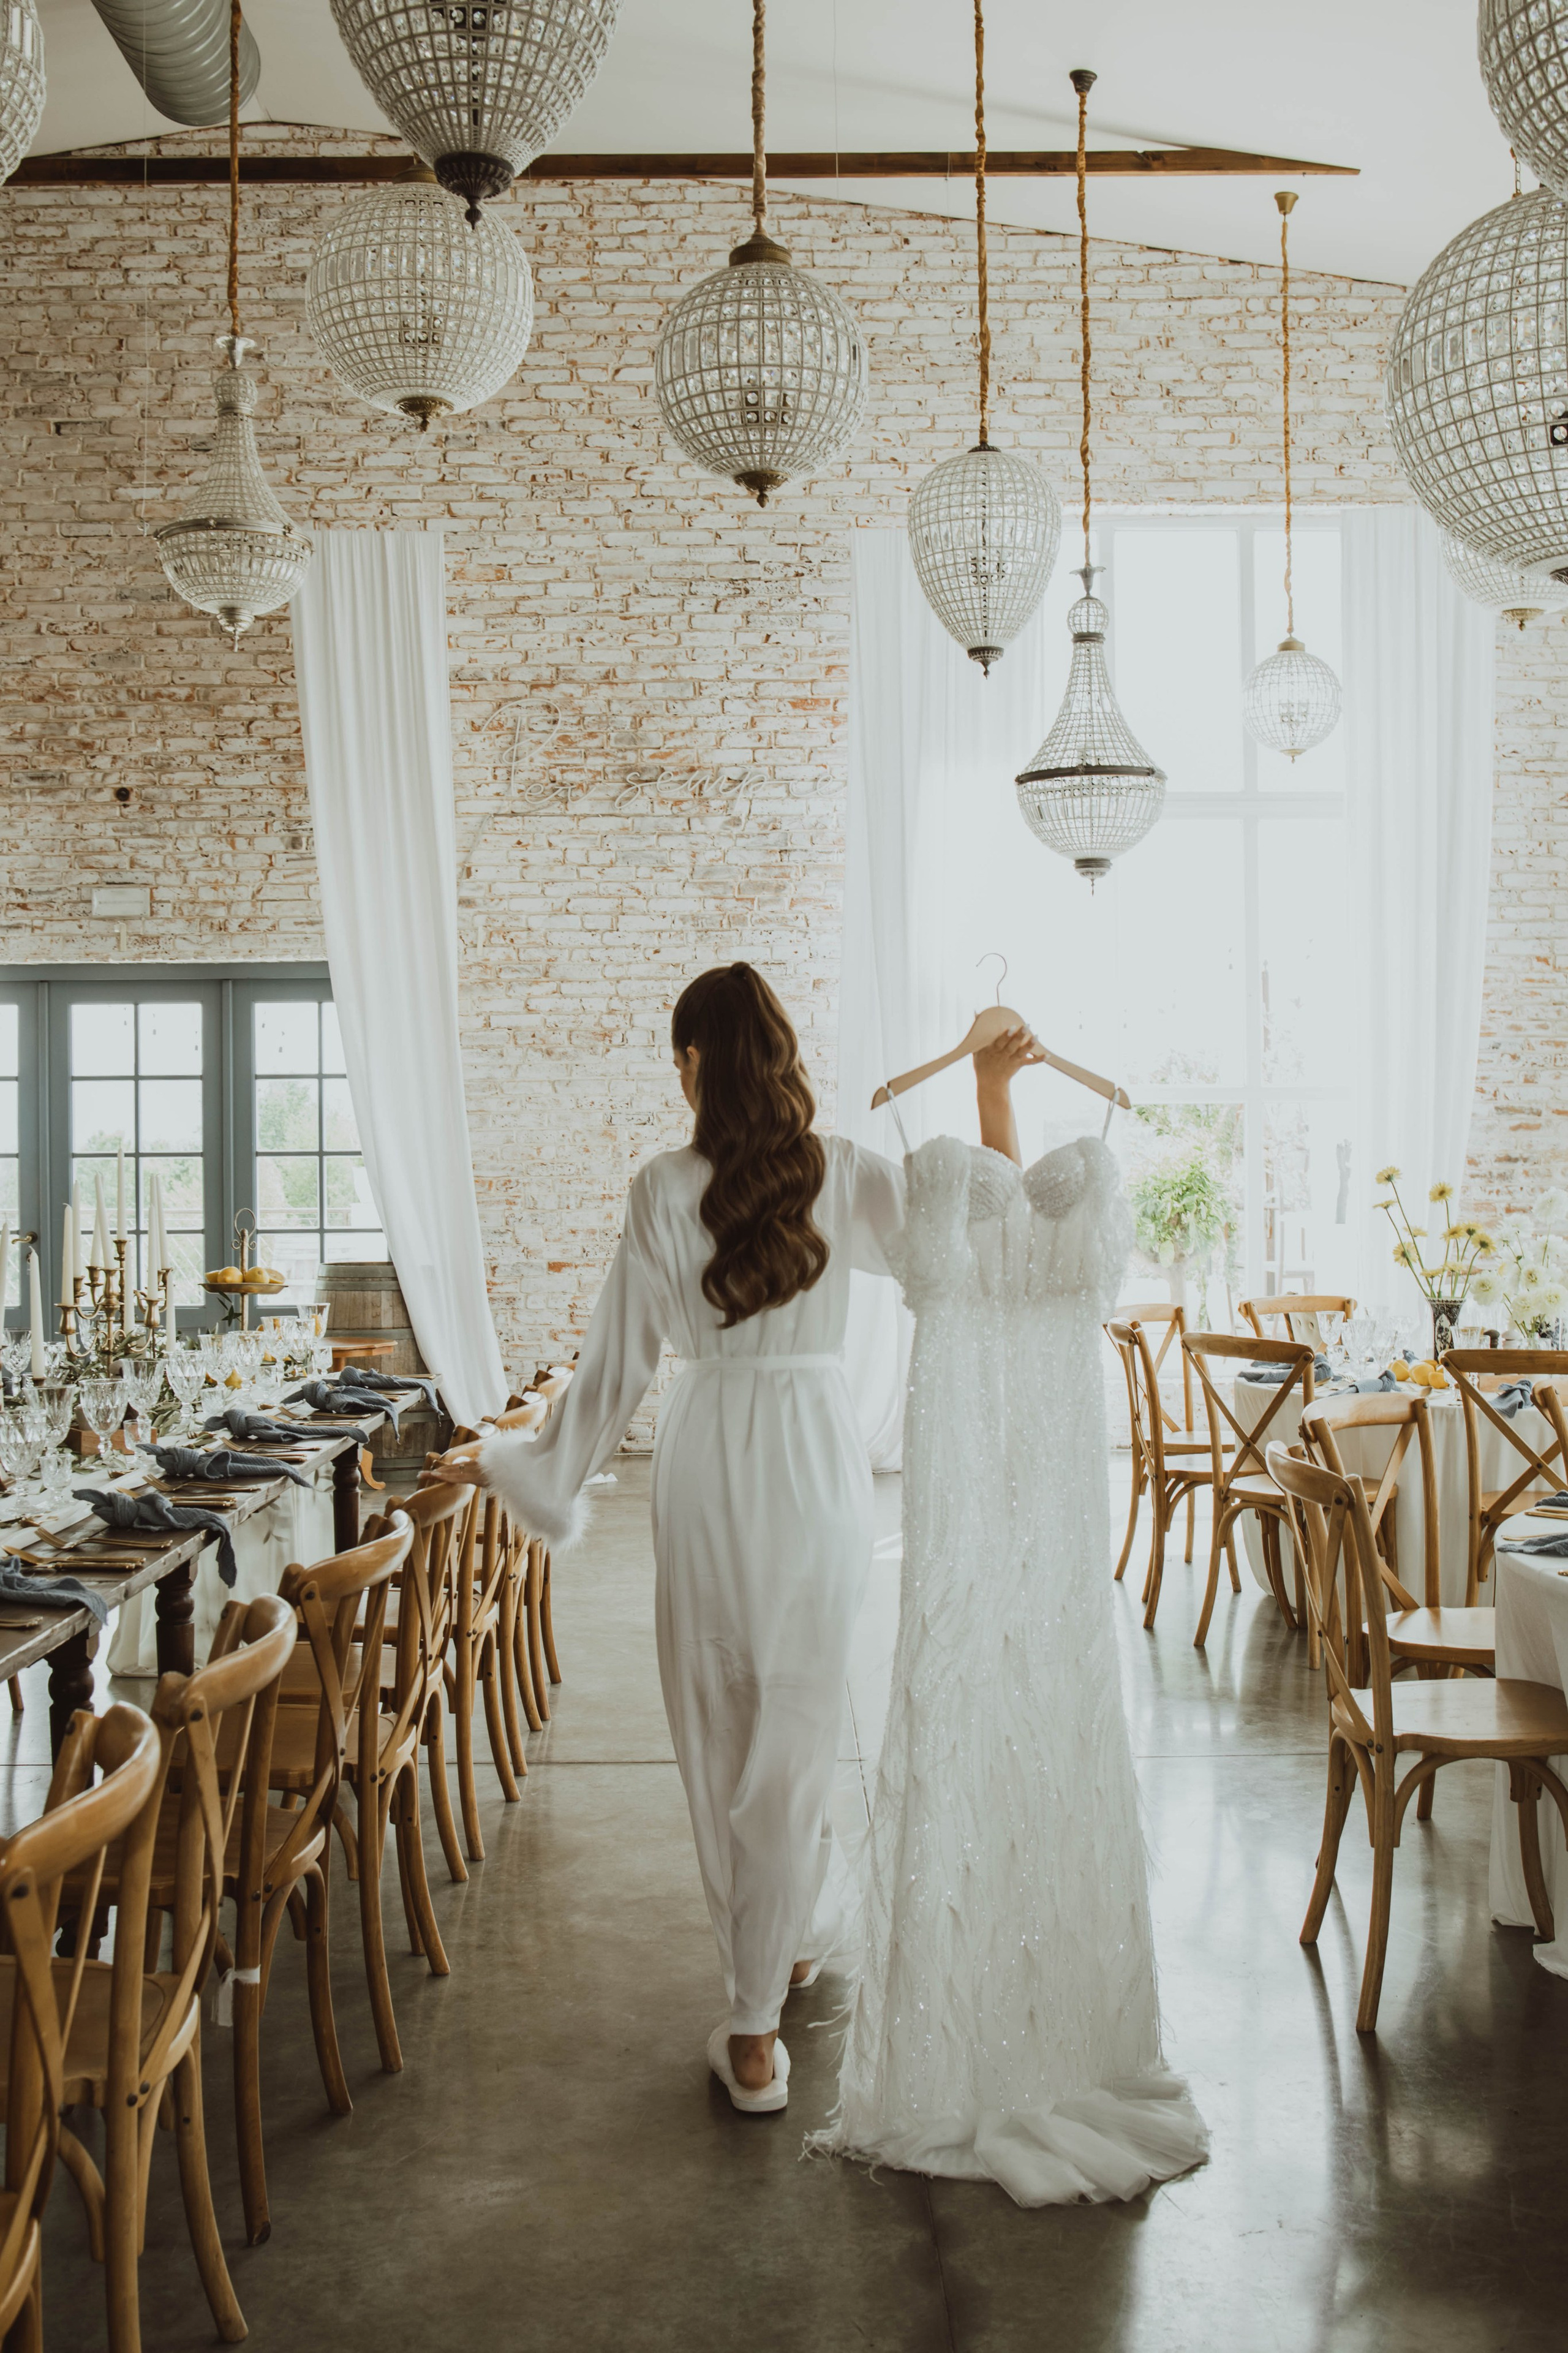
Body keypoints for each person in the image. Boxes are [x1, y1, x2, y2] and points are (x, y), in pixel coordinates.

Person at [428, 961, 1041, 2112]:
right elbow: (984, 1252)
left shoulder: (660, 1187)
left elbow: (612, 1372)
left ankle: (755, 2029)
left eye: (681, 1056)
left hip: (708, 1463)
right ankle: (789, 1939)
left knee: (720, 1729)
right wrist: (993, 1092)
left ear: (700, 1063)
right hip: (817, 1462)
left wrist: (519, 1461)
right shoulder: (844, 1171)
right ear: (782, 1056)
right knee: (800, 1728)